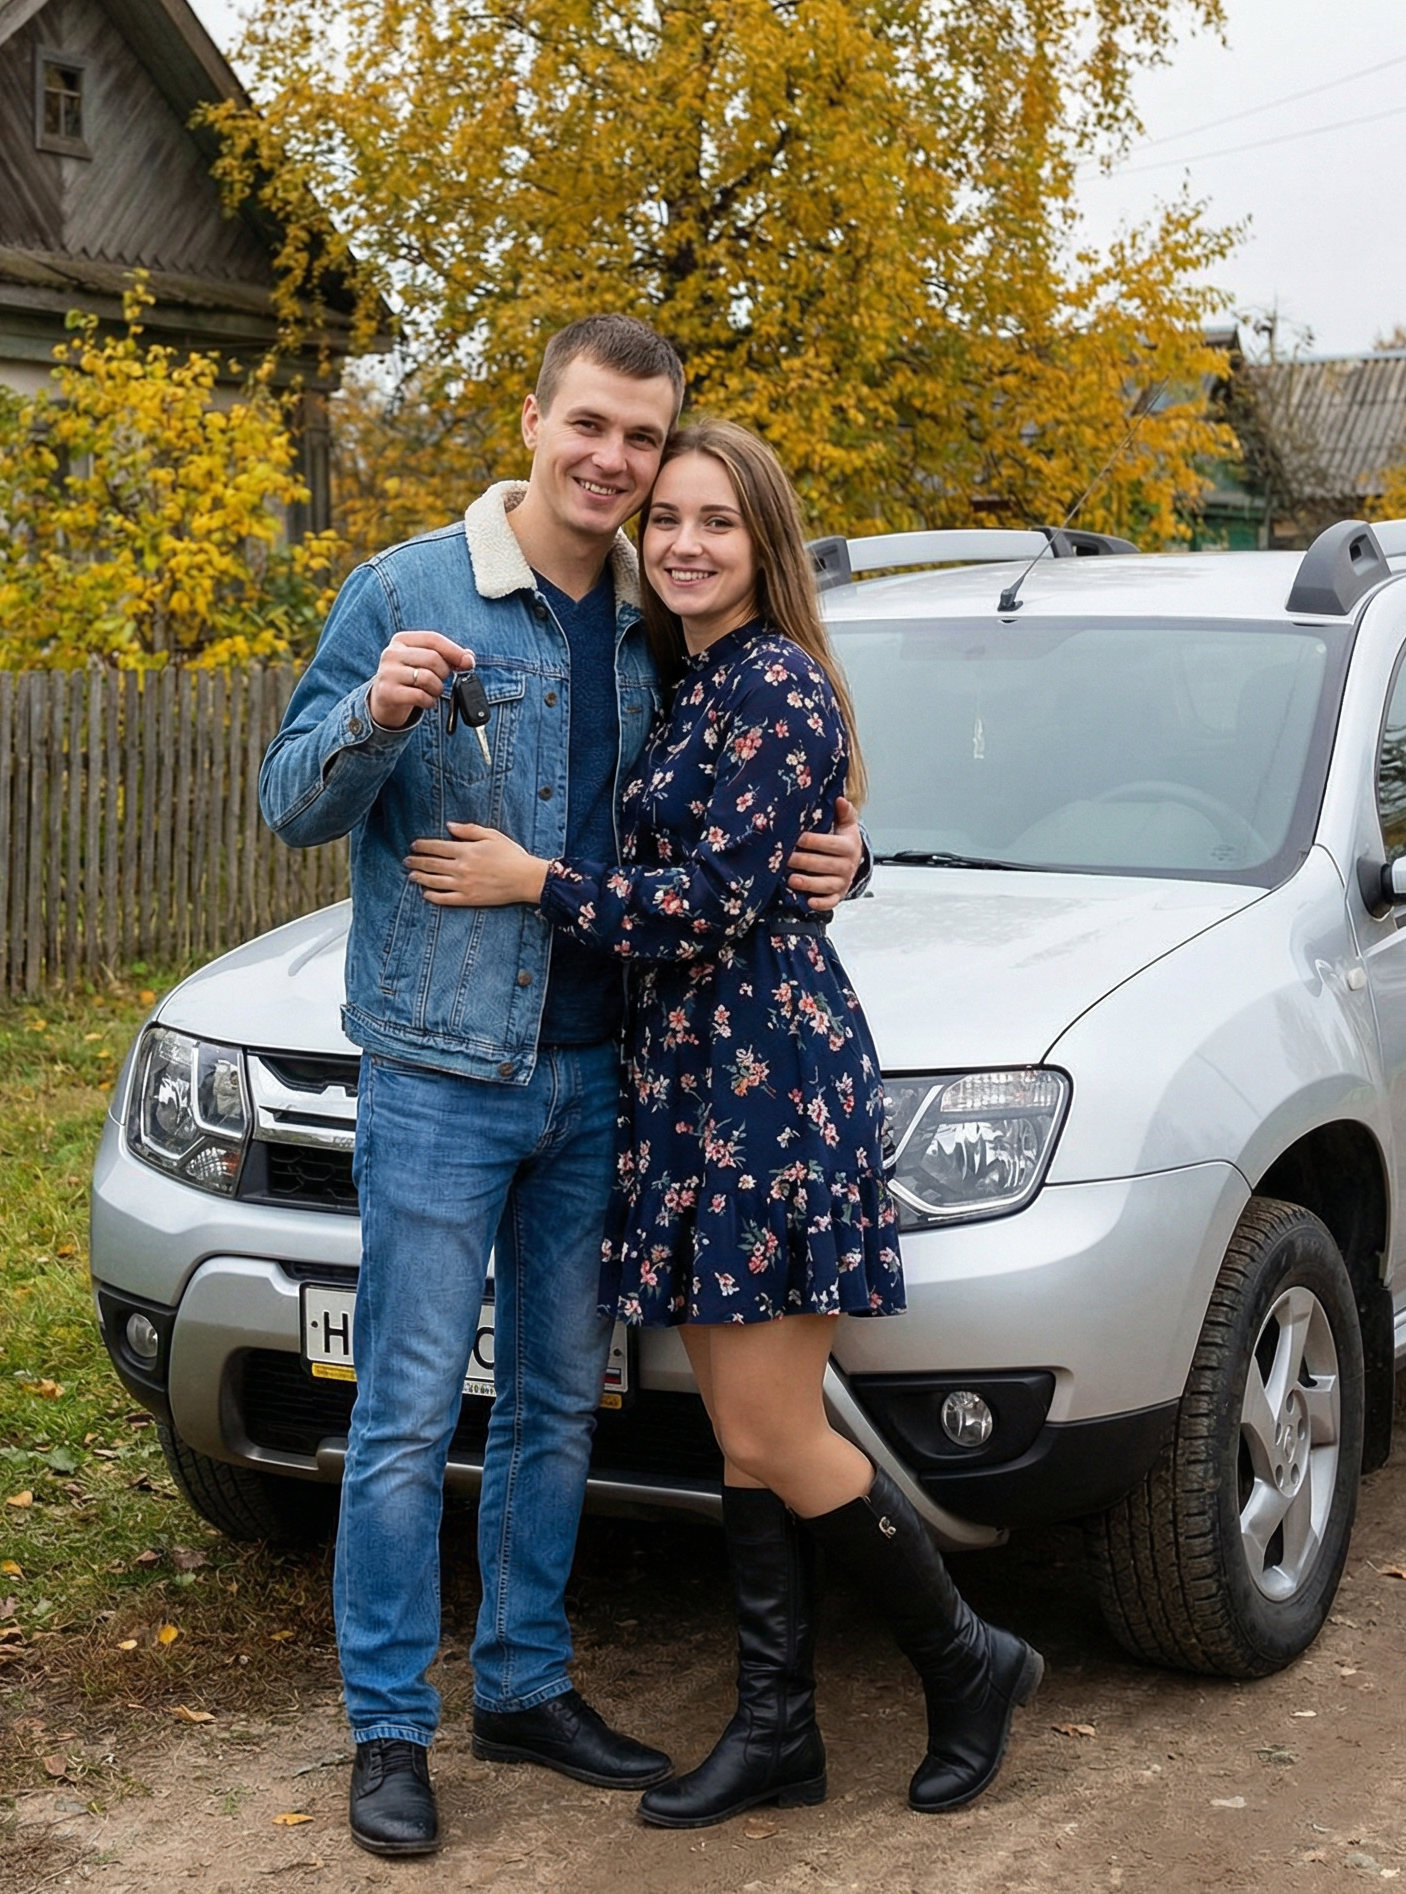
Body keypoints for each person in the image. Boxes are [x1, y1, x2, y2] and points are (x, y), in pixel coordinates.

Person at [258, 320, 865, 1858]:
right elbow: (288, 805)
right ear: (533, 419)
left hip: (608, 1075)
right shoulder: (409, 593)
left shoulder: (657, 623)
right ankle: (389, 1732)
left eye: (642, 441)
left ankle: (525, 1684)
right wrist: (374, 715)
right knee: (403, 1413)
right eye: (588, 426)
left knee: (554, 1406)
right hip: (443, 1070)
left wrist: (849, 858)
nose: (612, 461)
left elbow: (749, 794)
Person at [405, 420, 1043, 1826]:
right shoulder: (689, 677)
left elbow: (720, 899)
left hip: (766, 1078)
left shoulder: (779, 691)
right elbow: (751, 860)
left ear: (768, 545)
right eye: (671, 519)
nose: (686, 543)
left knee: (773, 1427)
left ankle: (971, 1656)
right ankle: (778, 1732)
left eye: (719, 523)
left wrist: (537, 883)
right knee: (749, 1437)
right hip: (691, 1083)